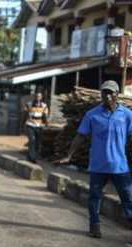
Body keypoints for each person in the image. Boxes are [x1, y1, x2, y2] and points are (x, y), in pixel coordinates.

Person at [55, 80, 132, 238]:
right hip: (98, 165)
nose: (107, 96)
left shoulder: (127, 115)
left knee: (128, 198)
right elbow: (80, 136)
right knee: (94, 197)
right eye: (104, 92)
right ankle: (94, 227)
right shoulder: (92, 115)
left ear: (117, 94)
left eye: (111, 92)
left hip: (120, 166)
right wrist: (69, 155)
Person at [24, 91, 49, 162]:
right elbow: (25, 114)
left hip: (39, 126)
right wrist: (23, 124)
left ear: (41, 98)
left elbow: (45, 116)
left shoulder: (44, 105)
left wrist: (46, 123)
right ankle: (33, 158)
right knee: (32, 140)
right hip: (30, 124)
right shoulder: (29, 104)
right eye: (36, 96)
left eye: (39, 96)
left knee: (37, 142)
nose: (38, 98)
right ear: (34, 97)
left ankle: (31, 156)